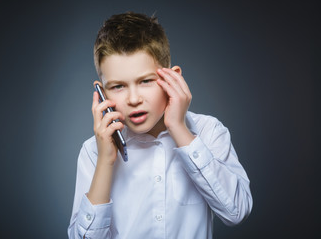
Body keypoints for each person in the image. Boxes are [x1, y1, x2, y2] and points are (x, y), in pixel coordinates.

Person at [68, 12, 252, 239]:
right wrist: (105, 161)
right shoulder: (92, 152)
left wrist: (178, 128)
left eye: (145, 81)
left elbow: (236, 212)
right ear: (101, 93)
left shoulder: (208, 132)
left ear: (171, 78)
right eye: (118, 86)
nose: (133, 99)